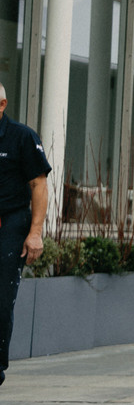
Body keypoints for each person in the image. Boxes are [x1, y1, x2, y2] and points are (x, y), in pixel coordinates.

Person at [0, 84, 51, 388]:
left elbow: (39, 186)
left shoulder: (22, 137)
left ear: (2, 104)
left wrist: (35, 233)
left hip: (10, 227)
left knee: (1, 302)